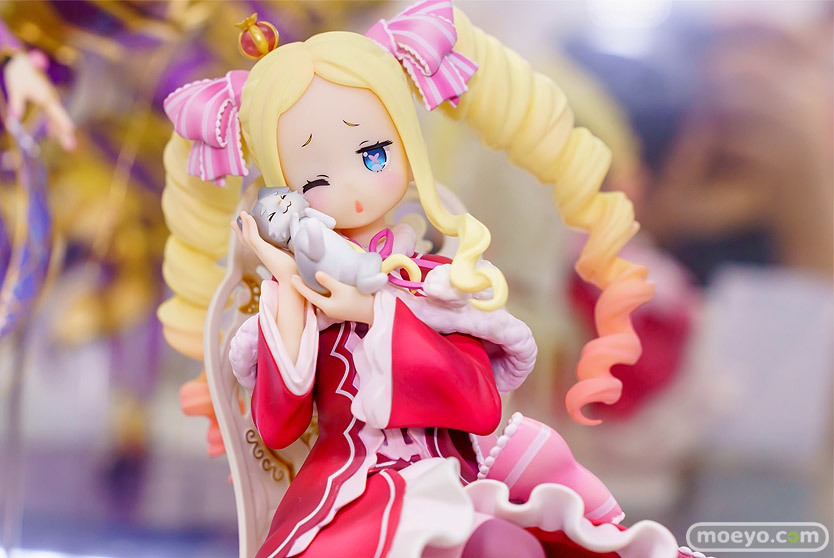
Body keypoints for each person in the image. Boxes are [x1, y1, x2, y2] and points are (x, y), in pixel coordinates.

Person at [162, 2, 691, 557]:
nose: (352, 189)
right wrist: (287, 282)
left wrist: (370, 311)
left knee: (511, 545)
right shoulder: (298, 303)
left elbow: (480, 406)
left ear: (407, 146)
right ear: (287, 194)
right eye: (315, 180)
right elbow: (278, 428)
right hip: (351, 494)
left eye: (373, 155)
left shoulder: (438, 284)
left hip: (455, 480)